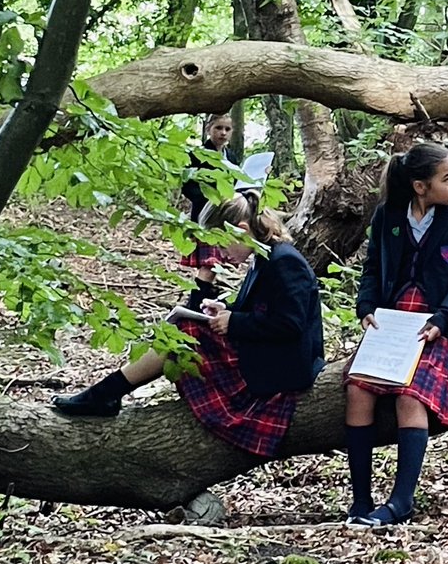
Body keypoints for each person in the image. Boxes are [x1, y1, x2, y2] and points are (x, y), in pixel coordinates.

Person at [52, 191, 325, 459]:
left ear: (241, 229)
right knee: (185, 328)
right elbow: (264, 311)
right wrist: (226, 310)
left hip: (285, 371)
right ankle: (105, 393)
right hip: (268, 357)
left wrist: (235, 321)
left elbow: (291, 325)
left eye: (220, 245)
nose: (219, 254)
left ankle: (104, 394)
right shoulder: (265, 259)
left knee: (185, 334)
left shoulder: (284, 261)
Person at [344, 143, 448, 526]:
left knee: (410, 396)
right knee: (357, 390)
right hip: (391, 323)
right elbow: (373, 268)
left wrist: (442, 319)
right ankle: (360, 502)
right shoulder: (388, 216)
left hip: (440, 325)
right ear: (419, 186)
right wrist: (366, 309)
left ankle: (400, 502)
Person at [180, 113, 238, 303]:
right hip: (205, 218)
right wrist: (211, 199)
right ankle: (194, 304)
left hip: (226, 218)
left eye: (227, 129)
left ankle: (200, 302)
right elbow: (188, 186)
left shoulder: (232, 157)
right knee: (209, 264)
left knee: (215, 264)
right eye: (218, 128)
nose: (223, 133)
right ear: (209, 129)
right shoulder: (197, 155)